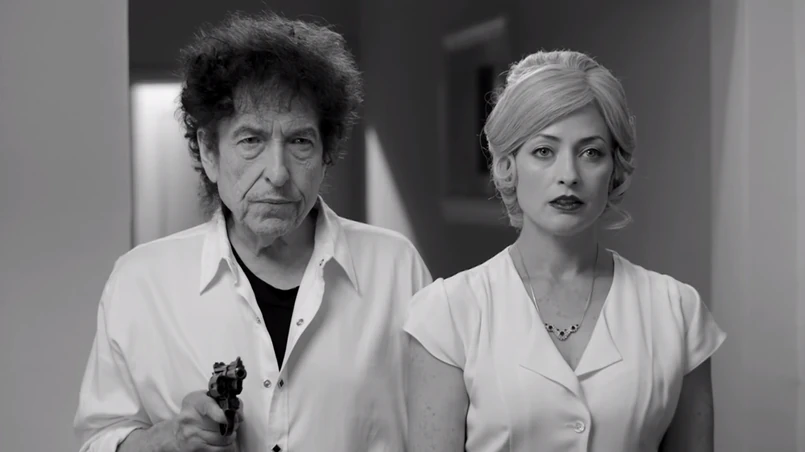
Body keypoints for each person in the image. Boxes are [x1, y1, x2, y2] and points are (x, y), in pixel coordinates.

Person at [73, 11, 432, 452]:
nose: (277, 173)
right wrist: (169, 440)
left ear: (326, 154)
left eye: (300, 141)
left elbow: (438, 432)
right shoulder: (140, 281)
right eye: (251, 141)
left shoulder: (396, 268)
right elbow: (98, 439)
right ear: (209, 152)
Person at [403, 50, 726, 452]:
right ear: (508, 165)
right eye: (544, 151)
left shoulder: (676, 311)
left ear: (615, 168)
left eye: (591, 152)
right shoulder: (448, 312)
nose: (569, 175)